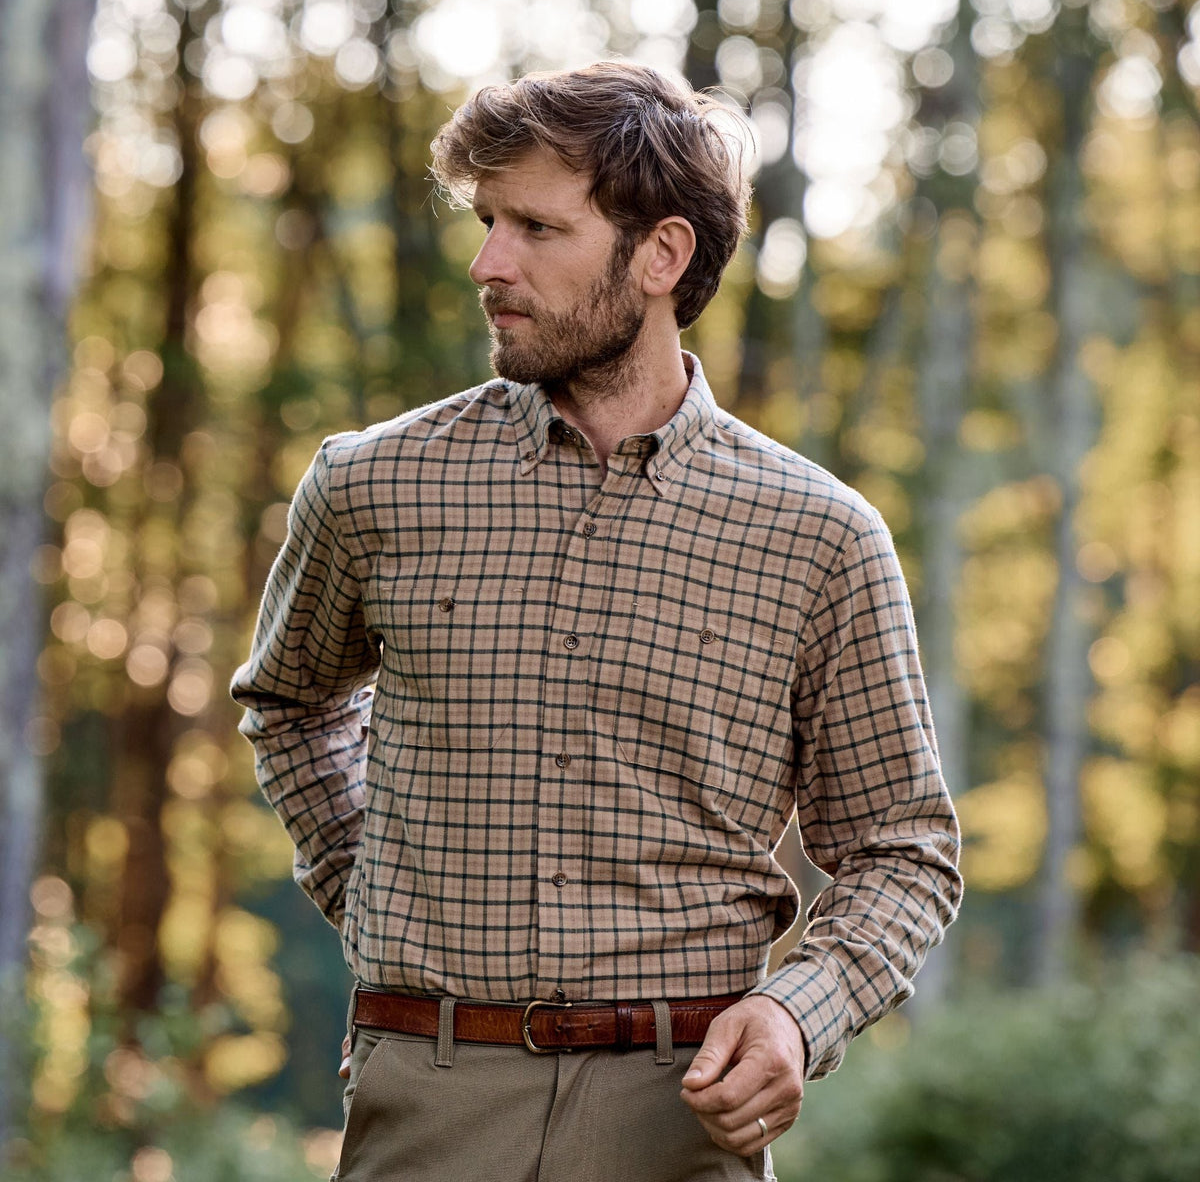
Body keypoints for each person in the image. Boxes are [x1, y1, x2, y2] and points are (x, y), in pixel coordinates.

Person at [231, 60, 961, 1182]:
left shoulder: (820, 535)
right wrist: (369, 881)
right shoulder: (373, 486)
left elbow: (902, 850)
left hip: (682, 1115)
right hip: (427, 1098)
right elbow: (288, 705)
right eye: (486, 223)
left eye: (536, 227)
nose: (488, 264)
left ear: (661, 256)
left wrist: (795, 1015)